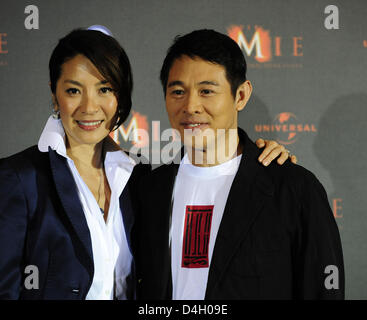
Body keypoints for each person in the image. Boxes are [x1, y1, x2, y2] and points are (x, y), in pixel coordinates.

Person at [0, 28, 293, 300]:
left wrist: (257, 160)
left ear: (121, 97)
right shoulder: (19, 178)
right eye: (73, 90)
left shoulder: (138, 179)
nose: (90, 107)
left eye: (104, 89)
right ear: (55, 94)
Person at [136, 29, 344, 300]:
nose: (190, 106)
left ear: (241, 96)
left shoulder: (293, 189)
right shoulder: (148, 189)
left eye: (207, 91)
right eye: (178, 91)